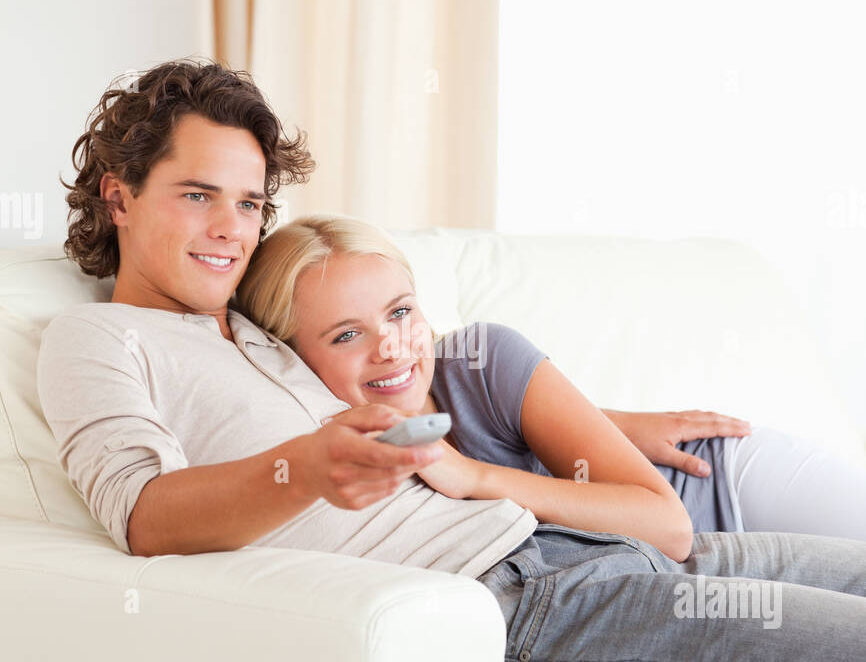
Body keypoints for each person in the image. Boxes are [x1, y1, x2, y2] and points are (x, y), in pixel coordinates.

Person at [36, 57, 866, 662]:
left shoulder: (255, 323)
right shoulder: (96, 339)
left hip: (571, 545)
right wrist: (304, 467)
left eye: (249, 203)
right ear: (119, 194)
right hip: (523, 602)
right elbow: (146, 517)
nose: (231, 228)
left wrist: (601, 421)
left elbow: (424, 378)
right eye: (197, 195)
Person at [234, 213, 866, 546]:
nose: (391, 346)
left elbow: (667, 524)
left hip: (716, 482)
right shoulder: (326, 449)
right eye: (347, 335)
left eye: (401, 311)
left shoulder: (484, 357)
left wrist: (476, 478)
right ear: (290, 358)